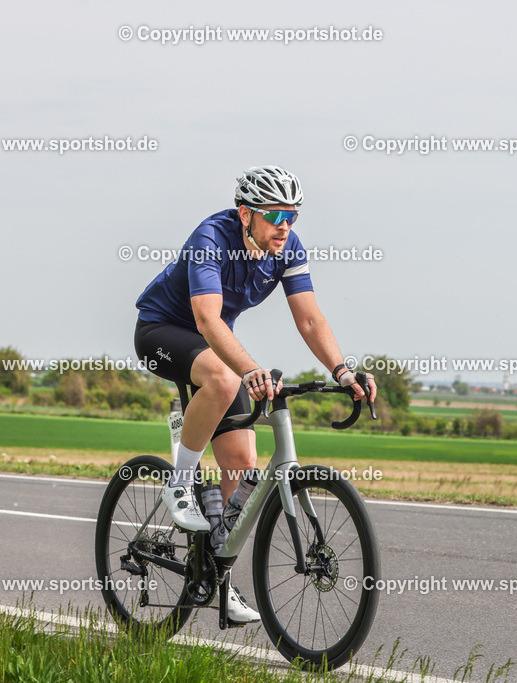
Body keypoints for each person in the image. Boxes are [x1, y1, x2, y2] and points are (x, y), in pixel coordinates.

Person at [133, 165, 377, 624]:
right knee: (225, 380)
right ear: (246, 214)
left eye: (293, 216)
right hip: (162, 332)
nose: (285, 226)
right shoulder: (212, 237)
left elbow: (309, 319)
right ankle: (179, 483)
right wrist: (249, 369)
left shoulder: (287, 249)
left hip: (213, 343)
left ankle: (214, 576)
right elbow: (206, 321)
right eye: (275, 216)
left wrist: (343, 371)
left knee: (242, 467)